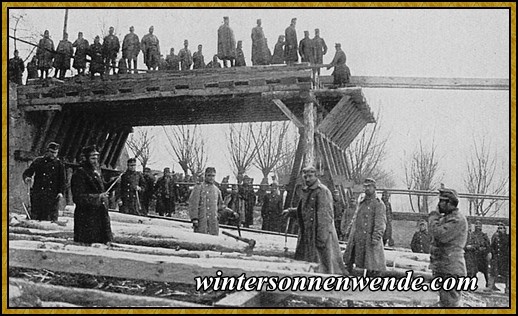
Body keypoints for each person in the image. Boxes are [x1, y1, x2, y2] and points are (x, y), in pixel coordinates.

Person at [283, 166, 347, 275]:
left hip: (320, 235)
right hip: (308, 234)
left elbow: (326, 217)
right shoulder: (307, 190)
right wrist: (292, 211)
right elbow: (305, 208)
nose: (307, 179)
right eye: (305, 176)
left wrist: (321, 239)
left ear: (316, 176)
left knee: (323, 266)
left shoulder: (322, 191)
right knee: (308, 265)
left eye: (310, 176)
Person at [428, 187, 468, 307]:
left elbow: (440, 234)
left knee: (450, 304)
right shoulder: (447, 218)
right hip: (444, 267)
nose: (439, 204)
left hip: (451, 269)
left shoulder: (457, 219)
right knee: (445, 303)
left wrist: (433, 217)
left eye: (442, 201)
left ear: (450, 203)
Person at [343, 178, 387, 276]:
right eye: (365, 186)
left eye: (369, 186)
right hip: (358, 238)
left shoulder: (378, 204)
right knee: (352, 263)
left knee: (372, 267)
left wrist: (375, 239)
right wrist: (350, 231)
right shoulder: (361, 201)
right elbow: (355, 217)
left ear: (374, 188)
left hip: (370, 240)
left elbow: (380, 224)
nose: (367, 188)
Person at [71, 145, 113, 244]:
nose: (95, 161)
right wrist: (98, 197)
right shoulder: (80, 174)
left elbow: (101, 189)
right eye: (92, 158)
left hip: (100, 217)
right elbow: (78, 198)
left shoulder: (96, 172)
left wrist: (114, 183)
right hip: (87, 219)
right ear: (85, 158)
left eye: (96, 158)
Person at [22, 142, 66, 221]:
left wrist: (60, 192)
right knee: (36, 216)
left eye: (55, 153)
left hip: (52, 195)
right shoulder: (38, 161)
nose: (53, 155)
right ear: (47, 151)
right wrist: (27, 177)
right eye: (51, 152)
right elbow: (28, 172)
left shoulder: (59, 164)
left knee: (50, 218)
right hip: (38, 194)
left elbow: (62, 180)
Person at [188, 167, 226, 235]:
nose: (211, 178)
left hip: (213, 221)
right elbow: (193, 204)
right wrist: (194, 218)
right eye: (209, 175)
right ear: (205, 176)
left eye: (213, 176)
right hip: (202, 220)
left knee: (213, 239)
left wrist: (218, 216)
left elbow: (221, 206)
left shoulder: (217, 190)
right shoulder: (199, 187)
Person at [464, 220, 491, 286]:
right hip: (474, 255)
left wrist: (487, 252)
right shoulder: (472, 235)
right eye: (476, 224)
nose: (478, 226)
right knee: (473, 271)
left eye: (479, 224)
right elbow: (470, 244)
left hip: (482, 256)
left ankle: (488, 284)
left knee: (485, 270)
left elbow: (488, 246)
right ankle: (473, 284)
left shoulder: (484, 235)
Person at [488, 223, 509, 293]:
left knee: (507, 273)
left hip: (505, 258)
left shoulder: (508, 237)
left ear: (504, 229)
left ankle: (508, 288)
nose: (500, 230)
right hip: (496, 257)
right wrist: (491, 253)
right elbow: (492, 246)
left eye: (501, 228)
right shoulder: (496, 237)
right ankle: (490, 287)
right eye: (498, 228)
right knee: (493, 271)